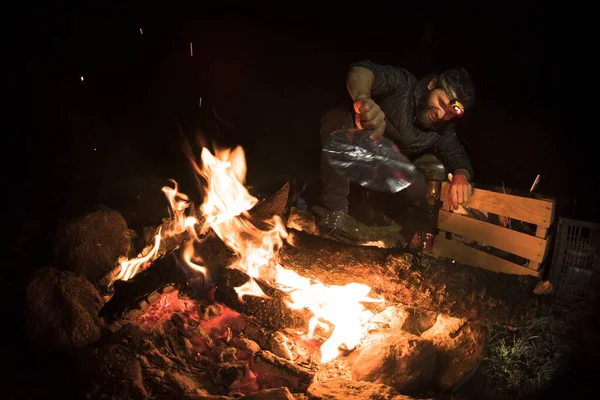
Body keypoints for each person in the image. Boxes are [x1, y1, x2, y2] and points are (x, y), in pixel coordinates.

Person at [316, 60, 475, 234]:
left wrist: (461, 175)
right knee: (336, 119)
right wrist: (363, 99)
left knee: (418, 187)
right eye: (441, 103)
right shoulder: (404, 85)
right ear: (431, 84)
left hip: (385, 166)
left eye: (450, 113)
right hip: (359, 148)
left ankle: (376, 211)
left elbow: (458, 156)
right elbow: (363, 70)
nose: (440, 114)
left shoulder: (442, 130)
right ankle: (335, 210)